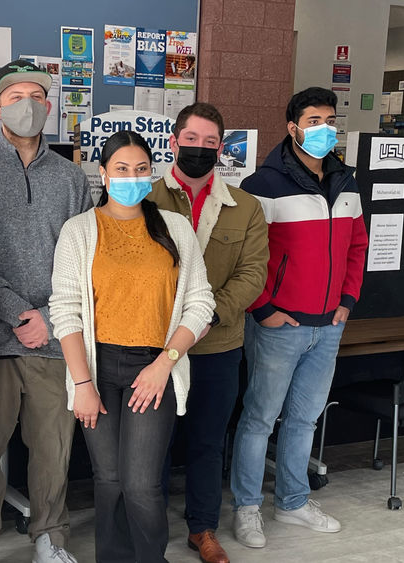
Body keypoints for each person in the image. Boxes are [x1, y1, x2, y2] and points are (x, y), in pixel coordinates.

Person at [0, 59, 92, 563]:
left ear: (49, 107)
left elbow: (82, 257)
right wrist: (16, 313)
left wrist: (50, 317)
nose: (26, 105)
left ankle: (50, 539)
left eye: (36, 96)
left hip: (55, 338)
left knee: (53, 449)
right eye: (15, 97)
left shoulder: (73, 178)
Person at [50, 130, 216, 563]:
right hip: (96, 368)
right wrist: (81, 383)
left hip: (154, 368)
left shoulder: (175, 228)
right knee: (108, 480)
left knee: (141, 483)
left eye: (141, 169)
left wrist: (166, 362)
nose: (132, 177)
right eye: (121, 169)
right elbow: (65, 311)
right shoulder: (79, 231)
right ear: (102, 173)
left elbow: (201, 303)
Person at [230, 87, 368, 548]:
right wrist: (264, 309)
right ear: (292, 127)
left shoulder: (347, 182)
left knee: (304, 420)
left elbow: (357, 247)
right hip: (278, 326)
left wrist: (347, 300)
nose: (324, 128)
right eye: (313, 121)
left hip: (329, 324)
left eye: (330, 119)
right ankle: (247, 509)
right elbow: (248, 258)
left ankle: (292, 502)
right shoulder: (261, 185)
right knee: (259, 419)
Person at [148, 102, 268, 563]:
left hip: (218, 345)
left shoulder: (246, 208)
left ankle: (203, 529)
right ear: (174, 141)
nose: (200, 149)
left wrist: (205, 318)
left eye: (210, 142)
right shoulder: (143, 199)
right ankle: (149, 528)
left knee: (207, 441)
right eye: (191, 140)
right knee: (151, 445)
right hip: (153, 348)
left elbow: (252, 274)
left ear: (222, 148)